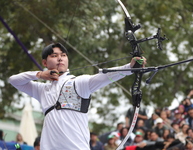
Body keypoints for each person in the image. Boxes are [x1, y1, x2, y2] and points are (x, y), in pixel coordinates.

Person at [9, 42, 147, 150]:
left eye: (63, 55)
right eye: (54, 55)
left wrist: (130, 67)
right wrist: (39, 74)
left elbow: (105, 77)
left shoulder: (78, 82)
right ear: (45, 63)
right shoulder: (41, 89)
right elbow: (13, 80)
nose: (60, 59)